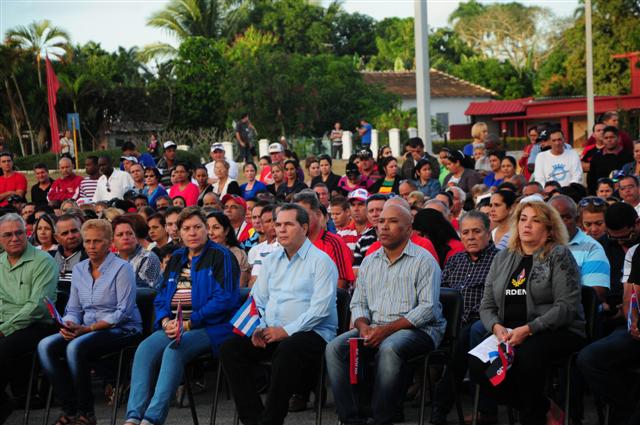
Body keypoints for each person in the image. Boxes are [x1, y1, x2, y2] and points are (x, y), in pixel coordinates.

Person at [326, 202, 445, 425]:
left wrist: (386, 330)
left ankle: (382, 417)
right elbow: (358, 302)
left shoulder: (424, 260)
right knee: (335, 348)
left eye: (392, 222)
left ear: (409, 229)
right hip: (375, 327)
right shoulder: (370, 261)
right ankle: (351, 418)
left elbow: (427, 309)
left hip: (418, 330)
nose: (384, 227)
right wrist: (363, 327)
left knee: (390, 347)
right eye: (381, 222)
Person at [468, 200, 585, 425]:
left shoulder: (559, 255)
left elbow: (566, 307)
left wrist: (529, 329)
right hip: (509, 333)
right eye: (523, 219)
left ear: (549, 229)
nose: (526, 225)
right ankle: (543, 406)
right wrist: (495, 327)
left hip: (554, 330)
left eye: (535, 220)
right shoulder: (502, 258)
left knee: (527, 356)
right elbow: (487, 305)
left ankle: (532, 417)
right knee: (477, 365)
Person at [220, 203, 338, 425]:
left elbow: (320, 310)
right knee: (230, 349)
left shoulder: (321, 262)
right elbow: (258, 300)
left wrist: (285, 331)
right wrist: (259, 328)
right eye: (278, 224)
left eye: (288, 224)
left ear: (304, 228)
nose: (281, 229)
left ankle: (271, 420)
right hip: (272, 330)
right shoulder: (271, 260)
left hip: (311, 333)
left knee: (287, 349)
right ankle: (253, 420)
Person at [125, 207, 240, 425]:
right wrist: (164, 320)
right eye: (186, 228)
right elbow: (160, 297)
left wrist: (189, 322)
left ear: (207, 229)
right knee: (144, 350)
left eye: (198, 227)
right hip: (174, 325)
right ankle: (133, 417)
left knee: (173, 351)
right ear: (179, 233)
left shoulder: (221, 256)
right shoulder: (176, 258)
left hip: (211, 327)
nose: (192, 233)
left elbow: (225, 299)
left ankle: (151, 419)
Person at [38, 219, 142, 425]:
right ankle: (70, 409)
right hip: (85, 329)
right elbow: (74, 309)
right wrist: (67, 324)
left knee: (75, 348)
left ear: (109, 242)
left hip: (123, 328)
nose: (92, 246)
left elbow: (123, 311)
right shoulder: (79, 269)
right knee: (45, 346)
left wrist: (88, 329)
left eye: (97, 241)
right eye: (88, 242)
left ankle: (86, 413)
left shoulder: (122, 268)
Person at [431, 211, 499, 425]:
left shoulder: (500, 260)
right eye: (466, 232)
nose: (471, 237)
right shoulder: (455, 260)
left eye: (477, 231)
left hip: (485, 324)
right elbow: (441, 292)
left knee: (465, 340)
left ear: (488, 233)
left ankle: (441, 408)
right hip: (451, 324)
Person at [0, 213, 58, 422]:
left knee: (4, 347)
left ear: (27, 234)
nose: (14, 238)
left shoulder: (43, 261)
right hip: (7, 323)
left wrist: (4, 328)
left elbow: (37, 307)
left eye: (19, 233)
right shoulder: (0, 263)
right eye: (8, 234)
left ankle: (12, 399)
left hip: (38, 325)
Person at [577, 238, 640, 425]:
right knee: (589, 358)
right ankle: (626, 407)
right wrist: (633, 320)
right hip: (635, 333)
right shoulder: (636, 252)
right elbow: (631, 298)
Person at [549, 194, 610, 302]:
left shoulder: (592, 249)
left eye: (565, 217)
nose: (560, 223)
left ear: (577, 220)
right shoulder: (536, 244)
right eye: (554, 218)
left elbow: (593, 296)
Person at [293, 190, 355, 290]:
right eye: (296, 217)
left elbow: (340, 284)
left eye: (304, 215)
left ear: (317, 214)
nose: (299, 220)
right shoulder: (294, 245)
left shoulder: (333, 243)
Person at [112, 215, 162, 289]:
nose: (125, 237)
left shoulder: (147, 258)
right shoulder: (111, 260)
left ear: (136, 237)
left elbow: (146, 291)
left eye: (130, 233)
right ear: (112, 241)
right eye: (120, 235)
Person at [205, 211, 250, 286]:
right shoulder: (200, 252)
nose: (210, 232)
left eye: (216, 228)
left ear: (226, 231)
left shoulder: (237, 253)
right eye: (207, 228)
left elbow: (240, 286)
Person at [588, 126, 633, 194]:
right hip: (601, 194)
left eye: (612, 137)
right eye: (606, 138)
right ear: (602, 139)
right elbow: (591, 179)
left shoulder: (628, 156)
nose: (609, 140)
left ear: (618, 139)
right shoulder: (596, 157)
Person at [54, 214, 87, 294]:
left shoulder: (90, 257)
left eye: (74, 231)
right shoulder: (49, 257)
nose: (71, 236)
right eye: (65, 233)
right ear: (56, 238)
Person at [352, 194, 387, 269]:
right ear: (367, 215)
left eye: (380, 210)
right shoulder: (362, 240)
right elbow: (356, 271)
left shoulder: (398, 236)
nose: (375, 214)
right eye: (371, 211)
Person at [248, 204, 279, 287]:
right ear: (261, 226)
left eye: (275, 220)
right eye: (268, 221)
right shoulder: (255, 250)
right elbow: (252, 281)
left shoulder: (287, 247)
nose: (273, 224)